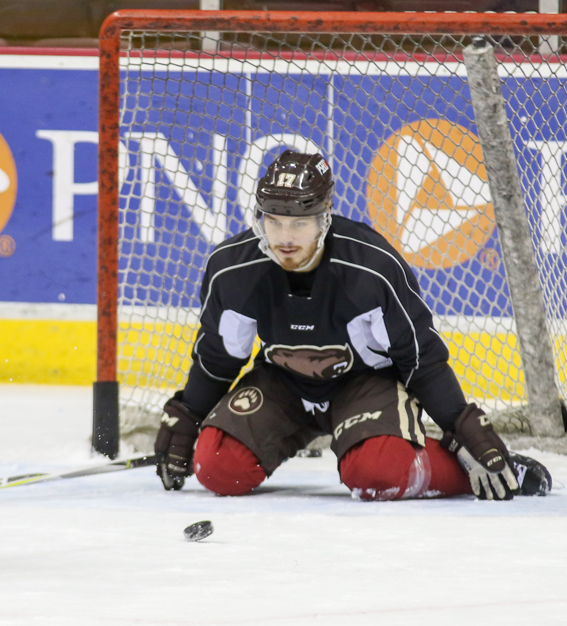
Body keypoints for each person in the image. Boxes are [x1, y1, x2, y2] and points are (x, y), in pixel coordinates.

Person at [153, 151, 553, 501]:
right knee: (218, 466)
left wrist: (463, 427)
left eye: (300, 223)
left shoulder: (371, 268)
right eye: (274, 221)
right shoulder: (232, 270)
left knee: (376, 474)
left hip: (364, 384)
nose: (284, 237)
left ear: (325, 217)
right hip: (282, 384)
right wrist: (188, 412)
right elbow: (219, 357)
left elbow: (421, 362)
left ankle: (460, 469)